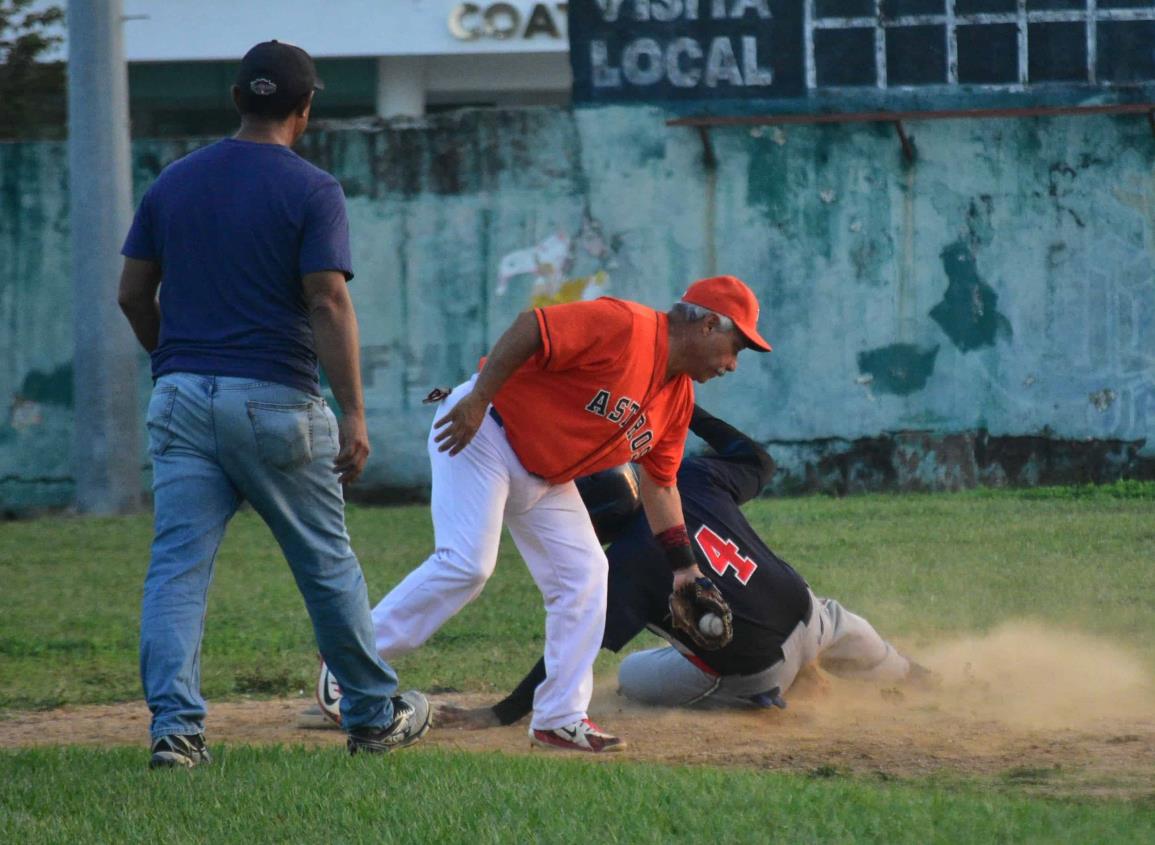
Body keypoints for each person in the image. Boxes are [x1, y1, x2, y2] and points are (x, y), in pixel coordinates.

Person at [117, 40, 429, 768]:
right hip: (276, 401)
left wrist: (174, 361)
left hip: (182, 398)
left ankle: (176, 731)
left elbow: (133, 294)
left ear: (236, 99)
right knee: (326, 565)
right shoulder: (311, 188)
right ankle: (373, 717)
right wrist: (353, 410)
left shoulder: (173, 182)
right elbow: (326, 298)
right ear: (305, 108)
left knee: (177, 570)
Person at [315, 275, 772, 752]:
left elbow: (660, 484)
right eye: (735, 346)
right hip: (483, 431)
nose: (733, 364)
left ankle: (559, 717)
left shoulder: (676, 401)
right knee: (467, 564)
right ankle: (349, 661)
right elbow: (531, 326)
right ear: (708, 325)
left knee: (588, 573)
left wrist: (685, 569)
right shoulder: (627, 326)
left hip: (546, 474)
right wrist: (478, 398)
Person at [435, 405, 929, 729]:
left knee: (631, 674)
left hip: (760, 675)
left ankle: (784, 688)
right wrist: (684, 407)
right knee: (833, 618)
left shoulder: (623, 564)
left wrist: (501, 712)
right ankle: (907, 671)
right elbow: (755, 458)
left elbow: (570, 651)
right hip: (808, 614)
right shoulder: (688, 477)